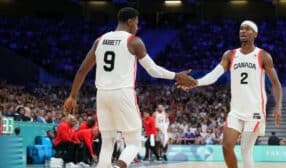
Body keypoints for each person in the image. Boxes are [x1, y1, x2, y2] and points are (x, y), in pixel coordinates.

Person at [63, 7, 196, 168]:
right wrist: (176, 75)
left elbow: (82, 70)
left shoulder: (100, 40)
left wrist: (72, 96)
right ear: (130, 21)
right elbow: (152, 70)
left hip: (102, 95)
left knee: (108, 141)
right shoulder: (133, 41)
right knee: (133, 142)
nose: (137, 27)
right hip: (122, 93)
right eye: (137, 23)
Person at [178, 20, 282, 168]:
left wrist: (278, 105)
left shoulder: (263, 55)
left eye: (247, 29)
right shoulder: (230, 55)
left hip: (255, 110)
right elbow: (214, 75)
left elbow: (276, 83)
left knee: (246, 150)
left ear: (255, 34)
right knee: (226, 147)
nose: (243, 31)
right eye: (241, 29)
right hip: (236, 110)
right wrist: (197, 82)